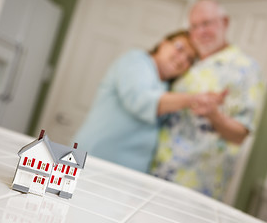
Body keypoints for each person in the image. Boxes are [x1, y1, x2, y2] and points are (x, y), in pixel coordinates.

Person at [150, 0, 264, 201]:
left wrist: (213, 115)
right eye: (194, 26)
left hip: (194, 187)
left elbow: (240, 134)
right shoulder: (187, 60)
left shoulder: (246, 69)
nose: (200, 32)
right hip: (154, 171)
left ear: (225, 22)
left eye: (206, 23)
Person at [74, 30, 225, 173]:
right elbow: (141, 101)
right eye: (180, 48)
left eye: (189, 59)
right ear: (163, 43)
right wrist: (193, 99)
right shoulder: (135, 61)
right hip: (91, 161)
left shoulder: (168, 88)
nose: (182, 59)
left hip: (127, 175)